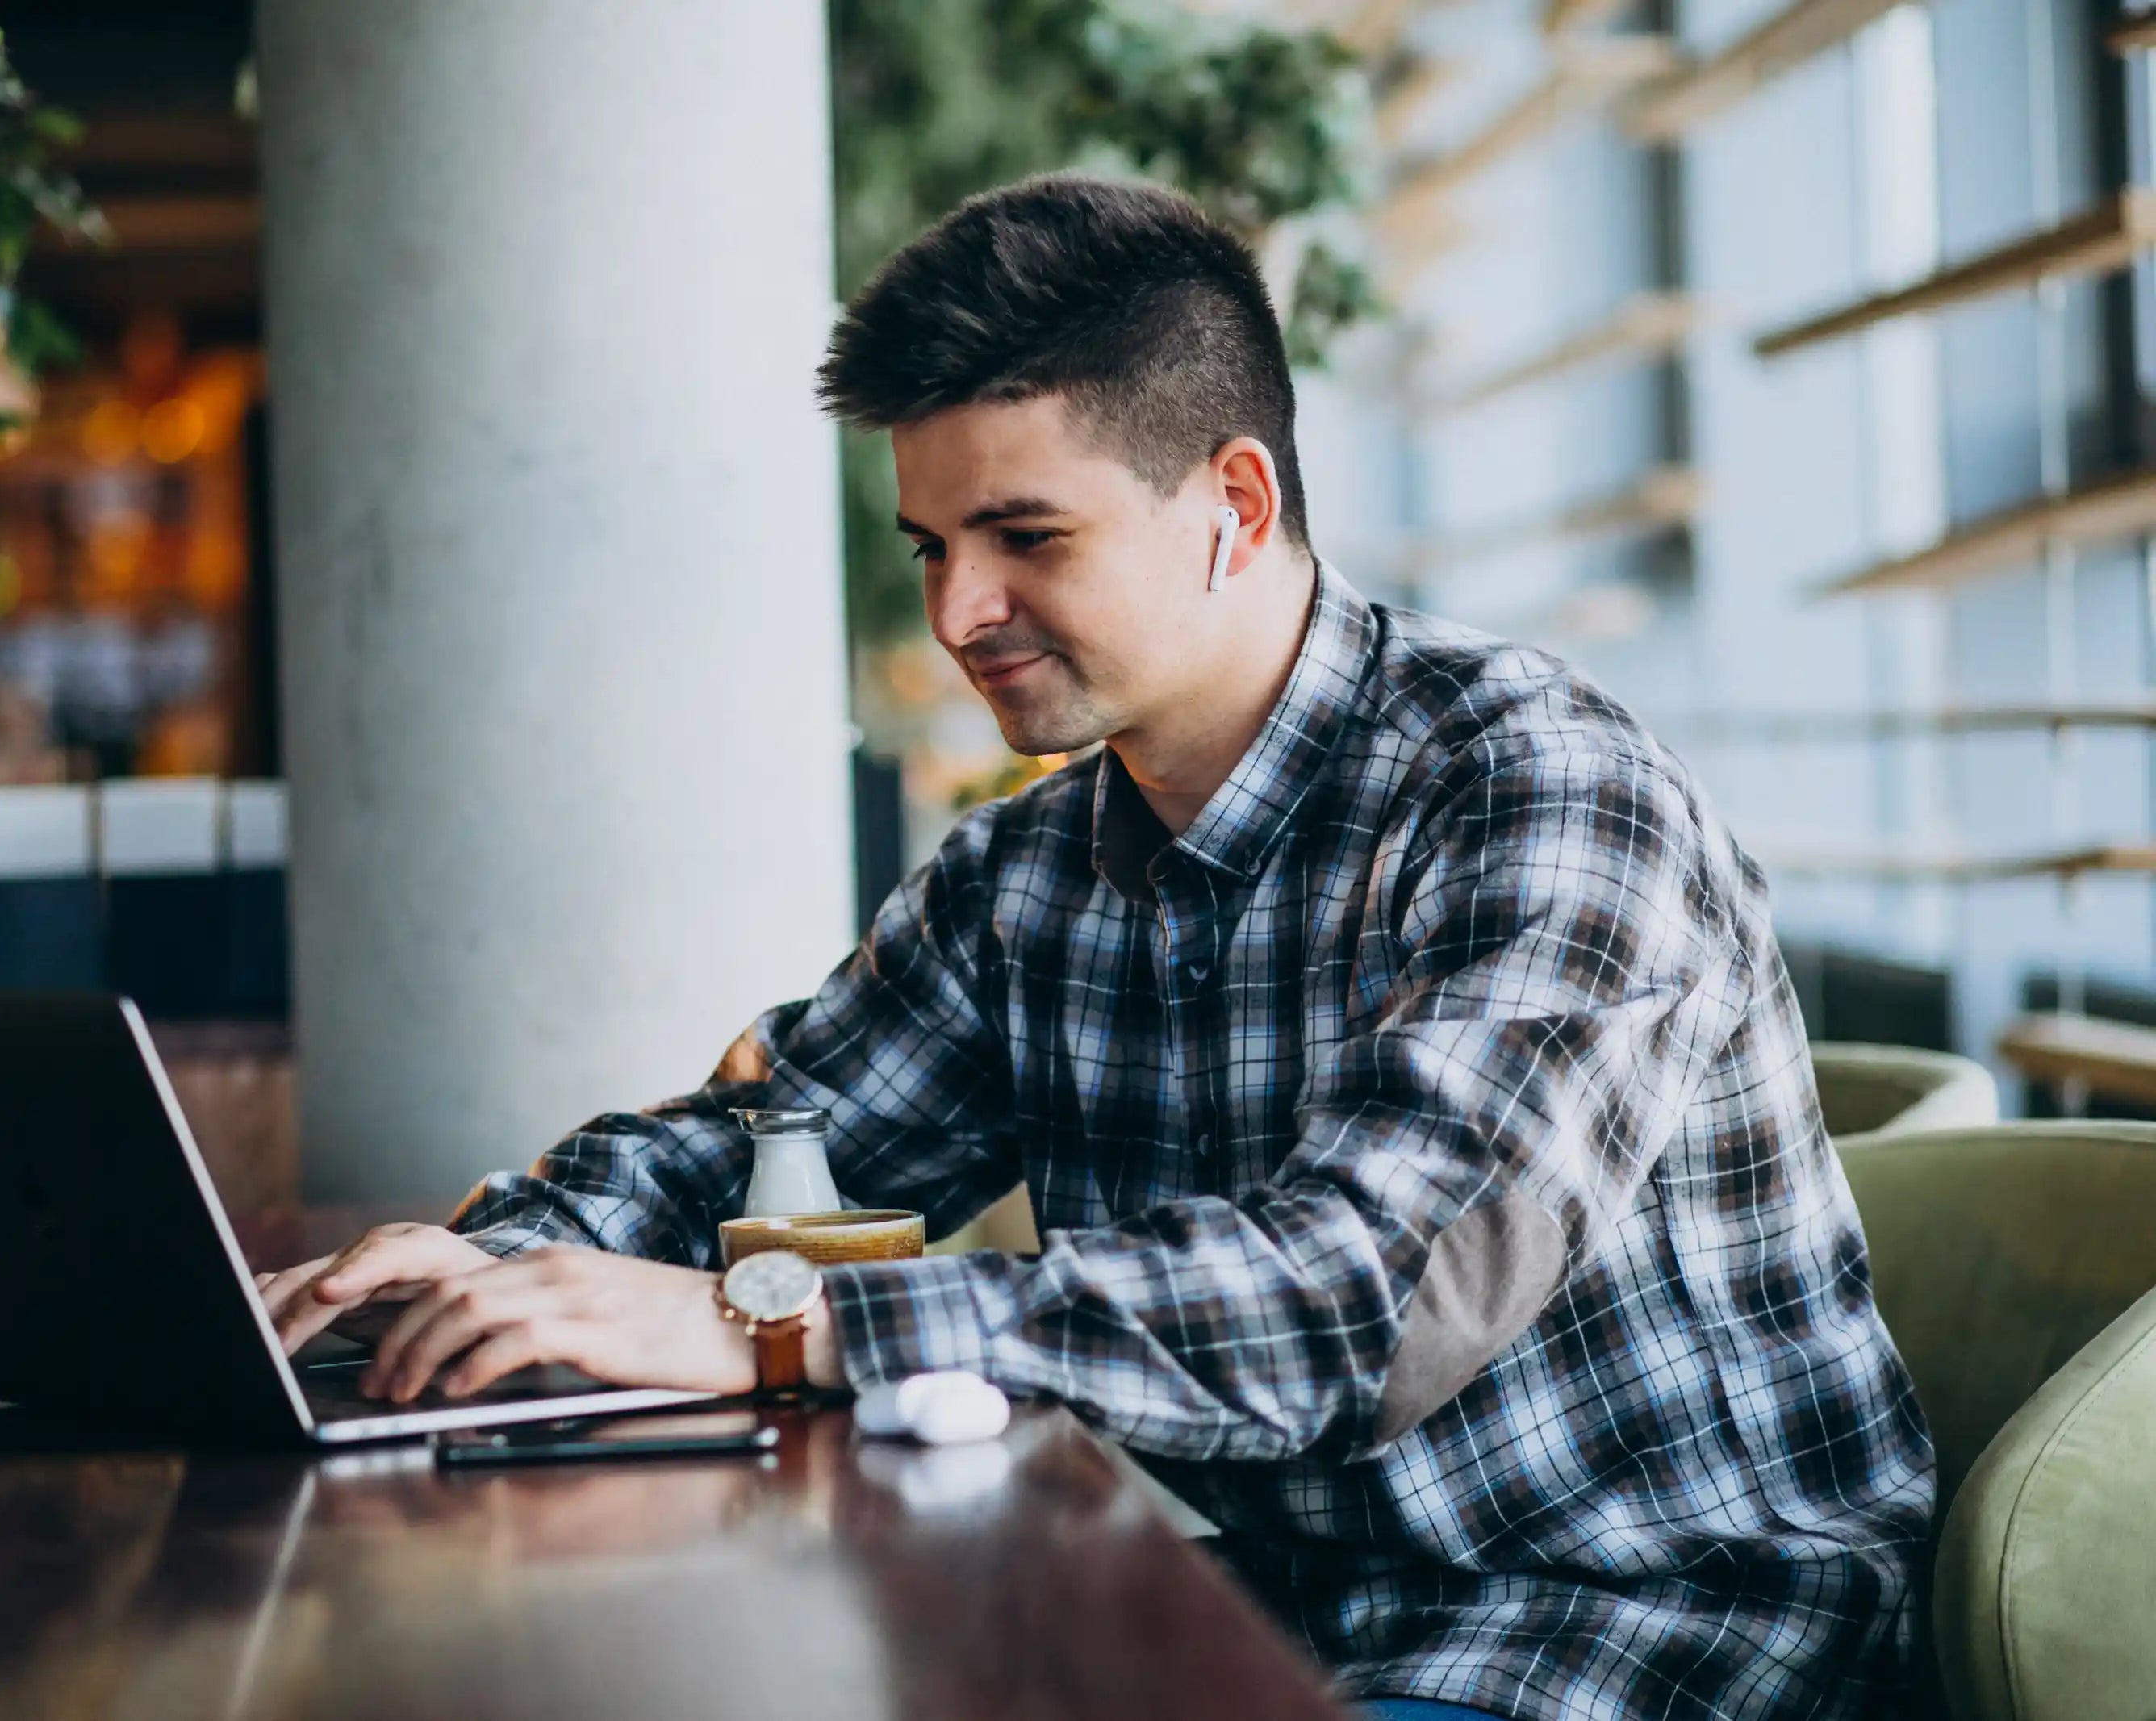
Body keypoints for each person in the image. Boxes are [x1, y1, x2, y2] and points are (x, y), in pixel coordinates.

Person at [260, 173, 1935, 1721]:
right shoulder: (1027, 873)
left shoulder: (1542, 792)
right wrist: (482, 1269)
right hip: (1264, 1606)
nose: (954, 613)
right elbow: (774, 1138)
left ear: (1233, 499)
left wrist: (759, 1319)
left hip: (1637, 1629)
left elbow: (1359, 1306)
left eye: (1025, 537)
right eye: (931, 546)